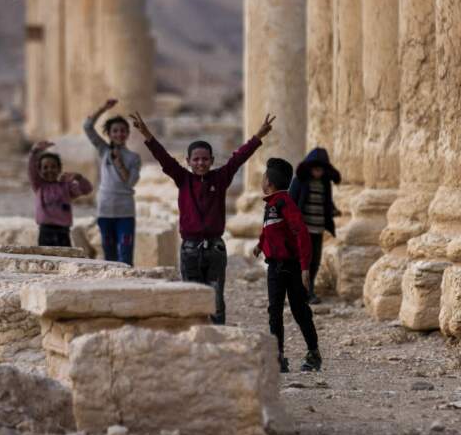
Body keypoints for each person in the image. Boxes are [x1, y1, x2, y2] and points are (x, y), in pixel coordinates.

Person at [129, 110, 275, 324]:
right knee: (191, 296)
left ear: (212, 160)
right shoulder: (183, 179)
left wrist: (258, 137)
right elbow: (164, 158)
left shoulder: (221, 177)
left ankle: (218, 336)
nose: (200, 163)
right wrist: (147, 134)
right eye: (196, 159)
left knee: (216, 297)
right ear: (188, 161)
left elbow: (238, 158)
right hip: (190, 248)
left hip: (215, 248)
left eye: (205, 159)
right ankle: (195, 336)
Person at [253, 157, 322, 373]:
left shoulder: (285, 203)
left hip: (291, 267)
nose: (262, 181)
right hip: (274, 267)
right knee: (274, 311)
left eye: (264, 178)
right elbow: (269, 230)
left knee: (300, 310)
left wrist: (304, 267)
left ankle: (313, 353)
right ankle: (278, 356)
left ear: (269, 182)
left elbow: (301, 233)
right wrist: (260, 245)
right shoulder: (271, 204)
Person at [84, 98, 142, 264]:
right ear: (109, 134)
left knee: (126, 251)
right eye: (115, 131)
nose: (119, 134)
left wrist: (119, 163)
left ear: (128, 134)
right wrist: (102, 108)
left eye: (123, 131)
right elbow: (87, 127)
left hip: (125, 212)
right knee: (109, 253)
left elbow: (130, 182)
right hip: (105, 210)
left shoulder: (134, 158)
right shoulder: (103, 151)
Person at [288, 147, 342, 304]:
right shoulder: (299, 181)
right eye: (315, 169)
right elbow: (291, 202)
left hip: (318, 229)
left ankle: (308, 290)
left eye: (321, 169)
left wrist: (333, 211)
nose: (318, 172)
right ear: (310, 168)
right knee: (302, 261)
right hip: (303, 230)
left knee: (315, 261)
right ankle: (302, 292)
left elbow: (327, 203)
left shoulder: (325, 183)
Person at [27, 141, 93, 247]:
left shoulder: (66, 187)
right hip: (45, 231)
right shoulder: (39, 186)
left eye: (53, 167)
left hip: (63, 232)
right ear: (39, 170)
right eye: (45, 167)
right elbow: (31, 169)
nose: (49, 170)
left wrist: (79, 178)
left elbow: (87, 189)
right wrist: (35, 152)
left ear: (59, 169)